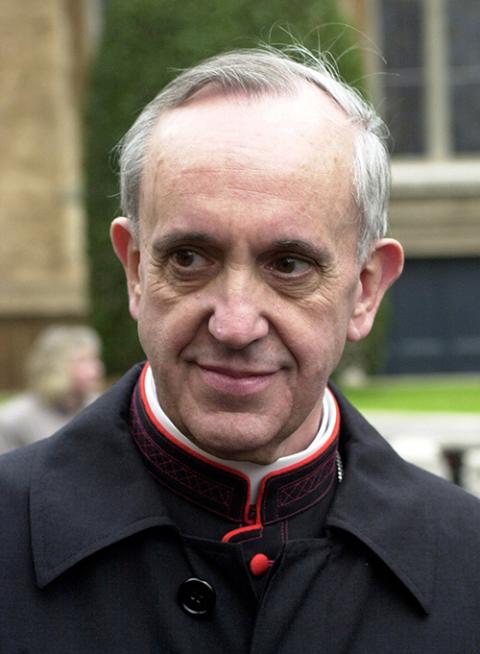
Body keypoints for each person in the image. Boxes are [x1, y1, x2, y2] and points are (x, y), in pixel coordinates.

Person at [1, 47, 479, 653]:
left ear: (364, 291)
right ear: (136, 271)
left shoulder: (468, 565)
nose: (233, 324)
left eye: (288, 265)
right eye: (190, 258)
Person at [0, 324, 104, 453]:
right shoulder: (14, 419)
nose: (97, 367)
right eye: (83, 360)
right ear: (55, 365)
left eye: (95, 359)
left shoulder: (101, 408)